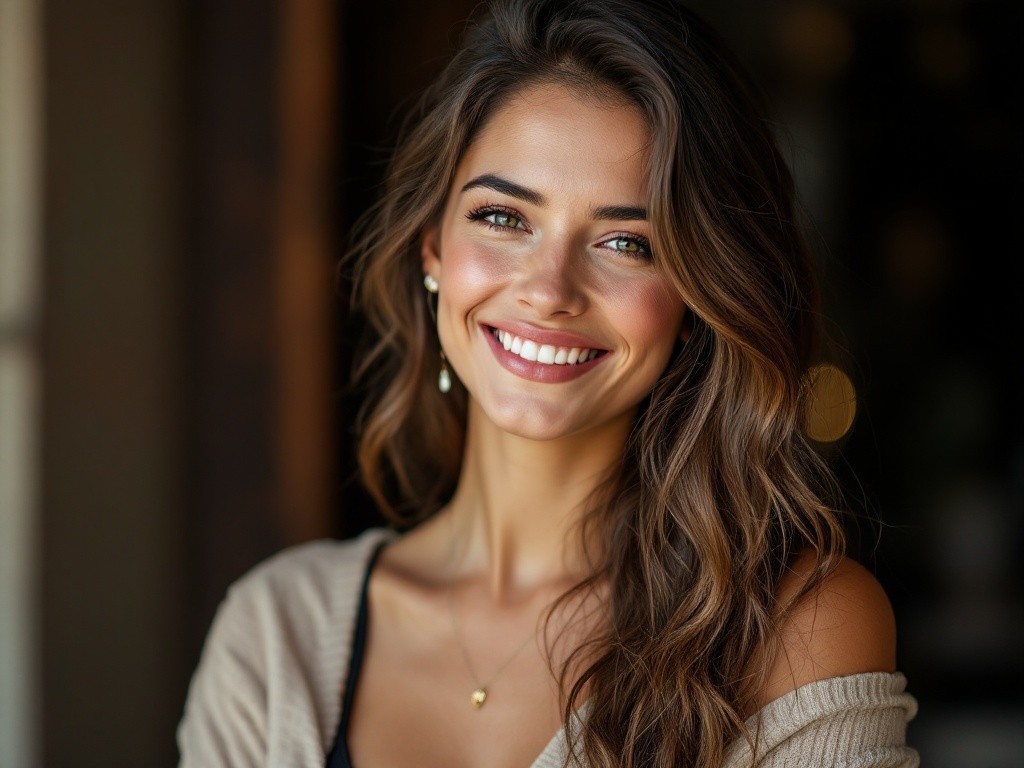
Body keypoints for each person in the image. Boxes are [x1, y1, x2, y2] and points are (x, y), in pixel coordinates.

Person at [176, 0, 920, 765]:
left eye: (627, 241)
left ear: (697, 299)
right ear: (434, 247)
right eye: (504, 219)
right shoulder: (275, 635)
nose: (550, 289)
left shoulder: (793, 630)